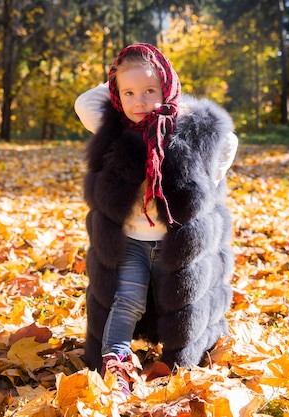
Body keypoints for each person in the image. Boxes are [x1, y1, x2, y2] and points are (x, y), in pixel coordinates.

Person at [75, 43, 238, 397]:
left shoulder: (187, 131)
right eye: (129, 93)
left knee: (178, 304)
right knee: (127, 300)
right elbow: (84, 101)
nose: (139, 101)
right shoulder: (114, 127)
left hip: (172, 244)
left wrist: (209, 175)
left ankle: (175, 367)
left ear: (168, 87)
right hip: (131, 242)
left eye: (150, 90)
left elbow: (228, 141)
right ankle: (115, 360)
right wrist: (122, 76)